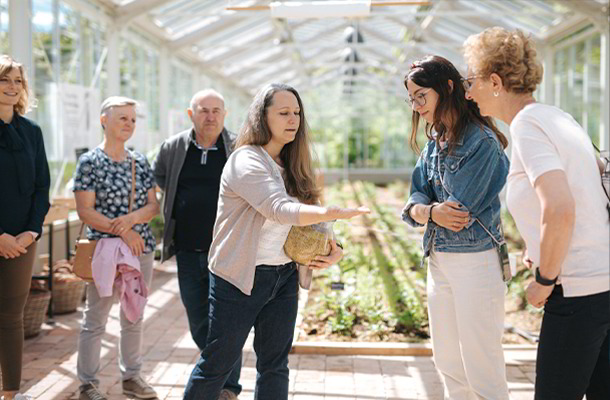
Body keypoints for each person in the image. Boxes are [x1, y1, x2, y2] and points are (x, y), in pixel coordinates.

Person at [183, 83, 369, 400]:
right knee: (218, 364)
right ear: (262, 117)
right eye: (283, 113)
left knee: (275, 365)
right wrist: (331, 211)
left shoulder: (292, 165)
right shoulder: (246, 161)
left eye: (296, 112)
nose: (292, 119)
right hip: (240, 278)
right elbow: (278, 209)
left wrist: (333, 250)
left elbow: (312, 225)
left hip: (283, 276)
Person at [463, 27, 610, 400]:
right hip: (602, 281)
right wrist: (541, 248)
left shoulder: (528, 125)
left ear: (494, 81)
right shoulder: (556, 117)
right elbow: (590, 186)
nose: (467, 92)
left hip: (576, 289)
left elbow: (560, 207)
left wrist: (545, 278)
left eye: (471, 80)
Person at [401, 55, 510, 400]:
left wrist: (423, 210)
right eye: (412, 99)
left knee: (482, 366)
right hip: (439, 260)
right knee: (447, 361)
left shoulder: (482, 143)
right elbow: (415, 197)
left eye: (422, 96)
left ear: (447, 88)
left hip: (475, 262)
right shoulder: (436, 144)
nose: (417, 107)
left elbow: (458, 214)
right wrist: (428, 211)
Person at [152, 89, 242, 399]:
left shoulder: (238, 147)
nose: (210, 116)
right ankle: (220, 376)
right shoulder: (174, 147)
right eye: (203, 110)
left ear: (225, 114)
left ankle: (227, 388)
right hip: (187, 250)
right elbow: (161, 177)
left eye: (216, 110)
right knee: (198, 320)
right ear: (191, 114)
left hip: (227, 250)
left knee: (227, 322)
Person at [73, 96, 160, 400]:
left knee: (133, 316)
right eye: (122, 118)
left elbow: (153, 206)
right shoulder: (89, 162)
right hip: (104, 251)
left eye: (133, 119)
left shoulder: (140, 161)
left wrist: (131, 222)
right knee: (95, 318)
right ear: (103, 120)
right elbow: (85, 210)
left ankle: (132, 378)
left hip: (140, 249)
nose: (129, 124)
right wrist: (124, 233)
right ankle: (88, 384)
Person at [0, 55, 50, 400]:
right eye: (4, 79)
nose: (12, 87)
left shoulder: (31, 132)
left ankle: (11, 392)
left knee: (11, 318)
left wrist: (30, 232)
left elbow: (41, 187)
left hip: (23, 239)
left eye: (18, 80)